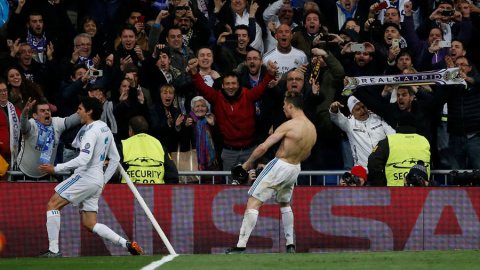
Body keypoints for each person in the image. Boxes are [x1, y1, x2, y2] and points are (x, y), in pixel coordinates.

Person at [37, 97, 142, 257]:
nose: (77, 112)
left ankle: (53, 250)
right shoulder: (105, 128)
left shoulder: (90, 131)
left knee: (53, 204)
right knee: (89, 223)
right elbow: (115, 158)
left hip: (85, 176)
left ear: (89, 111)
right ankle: (126, 243)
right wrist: (104, 180)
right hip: (97, 180)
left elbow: (84, 159)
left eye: (80, 109)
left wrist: (56, 168)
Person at [226, 91, 316, 254]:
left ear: (290, 105)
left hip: (280, 165)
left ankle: (240, 246)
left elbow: (263, 147)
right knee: (285, 203)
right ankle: (290, 245)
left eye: (284, 105)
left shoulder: (289, 125)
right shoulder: (312, 129)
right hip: (295, 168)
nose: (283, 108)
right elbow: (307, 153)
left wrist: (246, 164)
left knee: (253, 201)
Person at [188, 57, 277, 183]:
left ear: (238, 84)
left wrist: (271, 74)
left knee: (253, 184)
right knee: (231, 188)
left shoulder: (248, 95)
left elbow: (263, 86)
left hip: (250, 150)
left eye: (234, 83)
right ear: (223, 85)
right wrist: (194, 72)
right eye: (228, 84)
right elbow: (202, 87)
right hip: (229, 152)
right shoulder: (216, 97)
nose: (231, 87)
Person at [17, 98, 80, 179]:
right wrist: (24, 114)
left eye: (48, 110)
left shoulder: (56, 123)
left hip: (46, 174)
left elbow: (72, 120)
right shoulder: (32, 124)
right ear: (35, 115)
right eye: (42, 111)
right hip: (24, 173)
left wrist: (85, 109)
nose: (47, 112)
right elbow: (23, 126)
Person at [329, 96, 395, 168]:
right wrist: (334, 111)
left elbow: (392, 136)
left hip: (384, 167)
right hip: (363, 171)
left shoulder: (378, 117)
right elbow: (338, 119)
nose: (363, 111)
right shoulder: (349, 124)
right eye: (358, 109)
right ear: (352, 112)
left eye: (363, 107)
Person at [368, 112, 431, 187]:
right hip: (421, 192)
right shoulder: (425, 141)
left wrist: (380, 185)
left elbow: (373, 161)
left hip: (394, 192)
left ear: (397, 125)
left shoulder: (388, 142)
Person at [119, 116, 178, 184]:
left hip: (129, 192)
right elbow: (172, 175)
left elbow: (113, 171)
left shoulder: (124, 145)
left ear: (131, 130)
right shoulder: (159, 145)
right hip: (156, 192)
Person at [0, 80, 21, 169]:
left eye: (5, 90)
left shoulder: (15, 109)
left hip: (13, 157)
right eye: (0, 91)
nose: (3, 93)